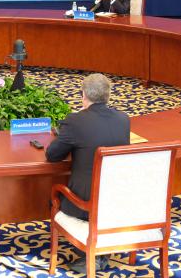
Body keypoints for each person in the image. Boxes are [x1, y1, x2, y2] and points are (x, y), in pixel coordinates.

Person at [45, 73, 129, 274]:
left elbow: (52, 155)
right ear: (108, 95)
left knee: (52, 199)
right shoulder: (123, 119)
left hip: (85, 205)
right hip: (117, 200)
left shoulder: (75, 121)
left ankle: (90, 253)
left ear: (83, 95)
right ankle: (103, 247)